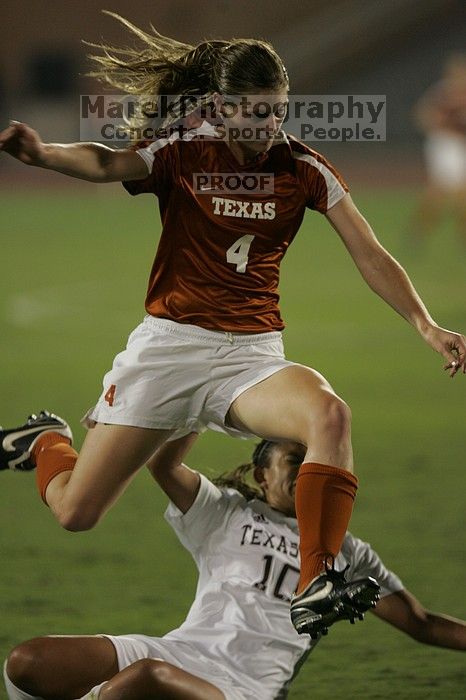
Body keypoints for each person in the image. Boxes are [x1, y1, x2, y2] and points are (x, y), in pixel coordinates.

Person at [0, 12, 465, 638]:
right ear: (220, 106)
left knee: (330, 416)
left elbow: (370, 253)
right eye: (255, 113)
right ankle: (46, 441)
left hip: (252, 357)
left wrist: (426, 325)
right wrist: (44, 154)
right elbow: (109, 164)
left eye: (278, 112)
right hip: (169, 349)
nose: (269, 126)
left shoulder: (302, 167)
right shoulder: (183, 150)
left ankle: (315, 579)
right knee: (76, 513)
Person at [4, 436, 466, 700]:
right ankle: (47, 441)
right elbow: (162, 462)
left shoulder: (345, 549)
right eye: (294, 461)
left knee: (144, 681)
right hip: (181, 654)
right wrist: (206, 392)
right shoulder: (225, 513)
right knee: (26, 664)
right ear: (261, 475)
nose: (307, 470)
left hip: (243, 689)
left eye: (314, 463)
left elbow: (422, 625)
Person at [410, 53, 466, 245]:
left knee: (440, 193)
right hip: (444, 144)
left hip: (459, 146)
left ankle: (419, 231)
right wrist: (437, 123)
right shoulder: (442, 92)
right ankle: (422, 231)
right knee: (452, 192)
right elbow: (423, 115)